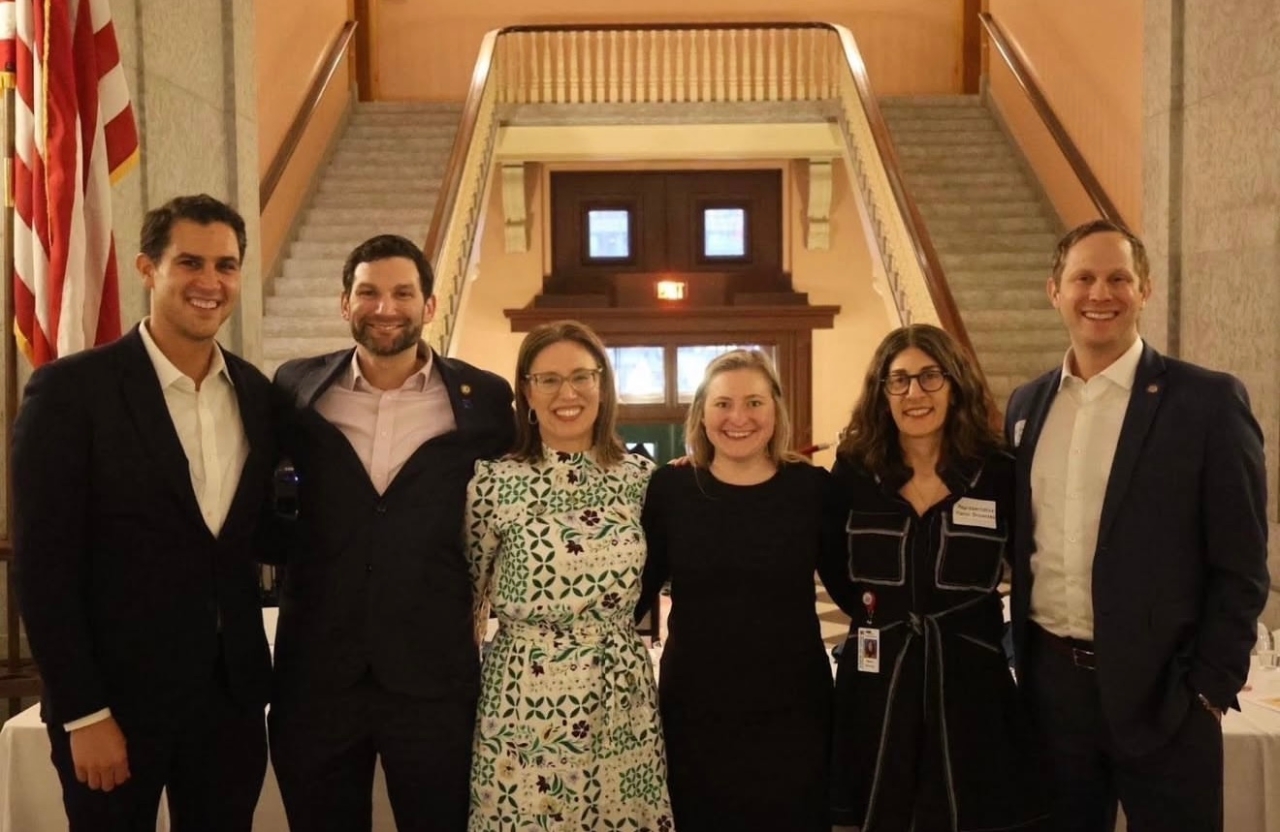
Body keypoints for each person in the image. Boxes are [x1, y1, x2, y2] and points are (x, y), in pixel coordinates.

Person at [12, 194, 275, 831]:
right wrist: (82, 712)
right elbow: (43, 567)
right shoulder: (73, 392)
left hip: (230, 705)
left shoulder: (259, 395)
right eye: (190, 262)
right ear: (147, 268)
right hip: (115, 706)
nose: (210, 282)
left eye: (227, 265)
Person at [1004, 220, 1270, 832]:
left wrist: (1207, 689)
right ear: (1055, 291)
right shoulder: (1027, 406)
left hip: (1165, 696)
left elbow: (1243, 564)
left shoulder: (1205, 404)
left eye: (1118, 278)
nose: (1101, 293)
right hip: (1052, 696)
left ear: (1144, 290)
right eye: (1084, 278)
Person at [268, 234, 514, 832]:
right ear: (344, 303)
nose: (386, 307)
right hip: (317, 677)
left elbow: (531, 477)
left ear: (429, 305)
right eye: (369, 292)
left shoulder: (482, 399)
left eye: (403, 293)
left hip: (434, 676)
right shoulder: (295, 388)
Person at [826, 324, 1047, 832]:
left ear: (956, 383)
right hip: (878, 679)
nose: (914, 394)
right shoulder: (856, 470)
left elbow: (1030, 560)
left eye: (930, 377)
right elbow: (835, 564)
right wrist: (877, 613)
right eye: (898, 380)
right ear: (882, 393)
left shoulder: (997, 470)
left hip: (972, 683)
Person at [465, 320, 673, 831]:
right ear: (526, 394)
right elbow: (468, 597)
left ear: (603, 386)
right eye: (548, 379)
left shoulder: (643, 480)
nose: (568, 393)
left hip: (621, 696)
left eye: (582, 375)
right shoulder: (493, 483)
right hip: (523, 701)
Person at [637, 349, 832, 831]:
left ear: (776, 410)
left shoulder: (811, 489)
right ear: (702, 411)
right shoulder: (671, 489)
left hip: (794, 707)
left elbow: (853, 583)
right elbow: (635, 590)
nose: (738, 417)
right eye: (723, 404)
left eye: (754, 403)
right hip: (696, 706)